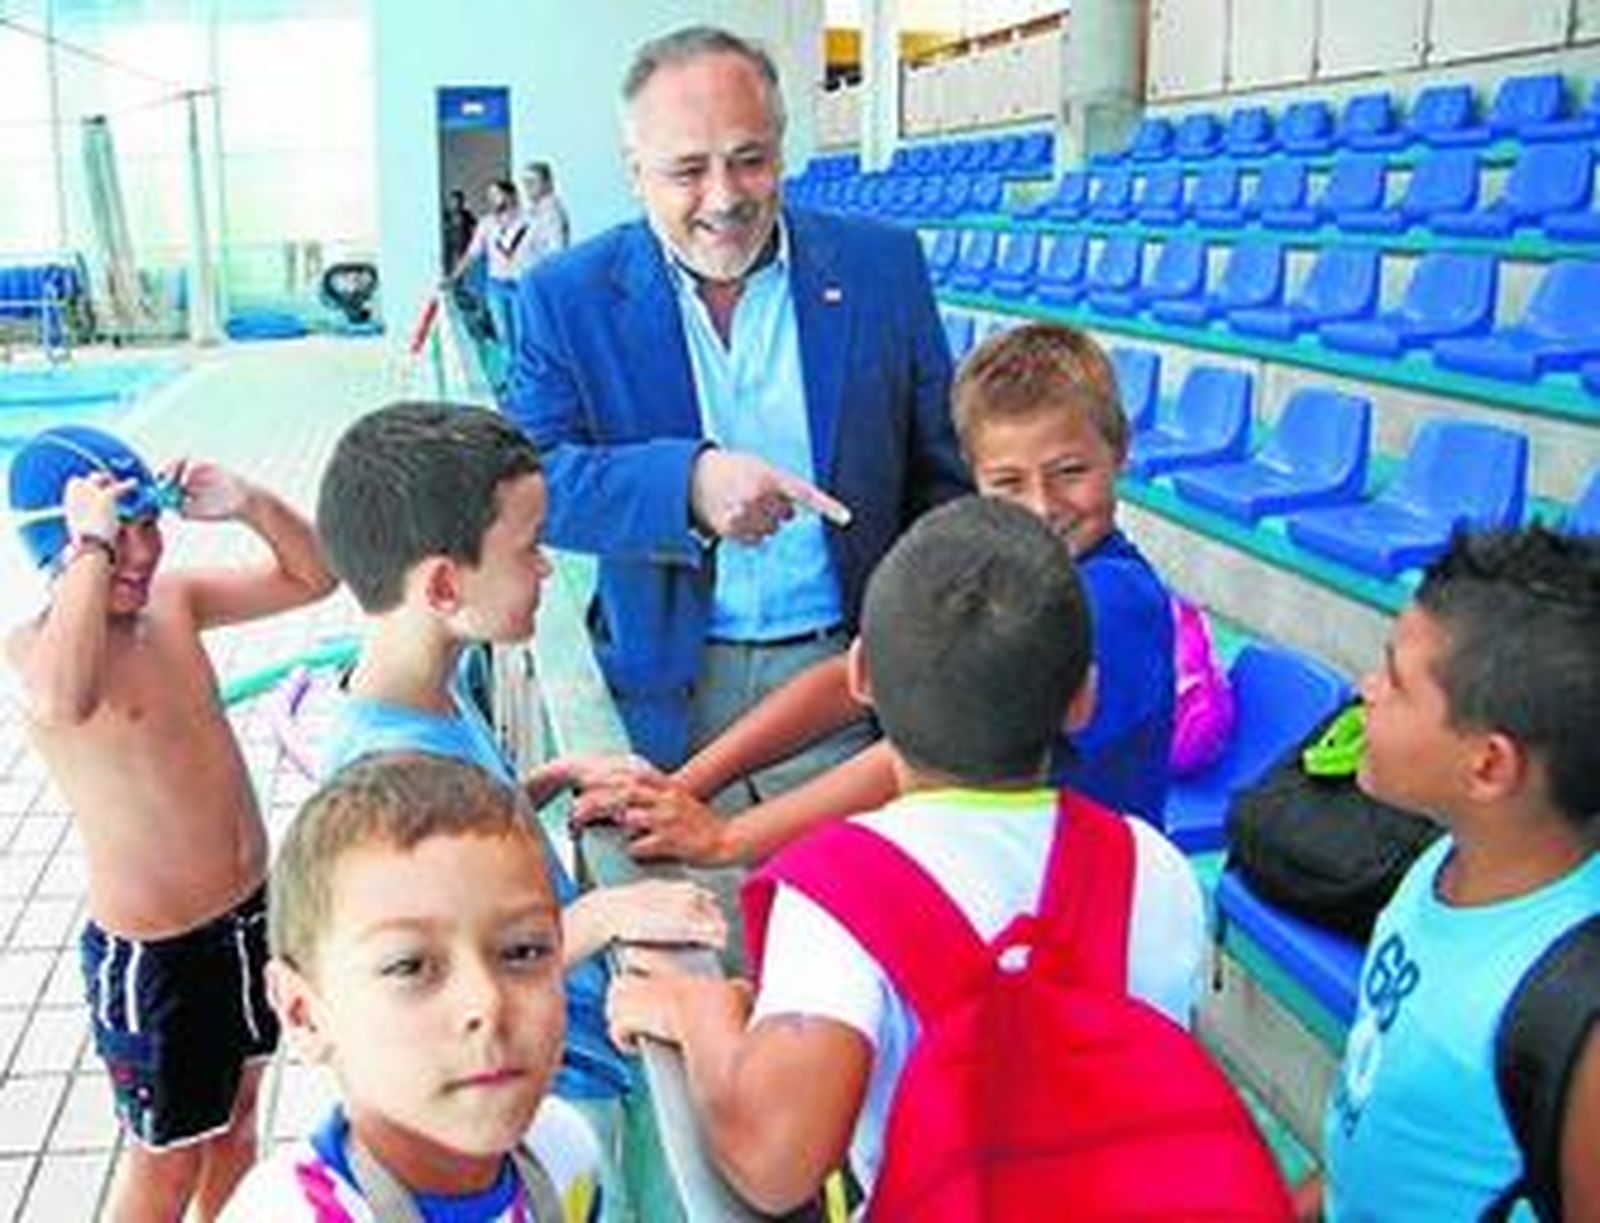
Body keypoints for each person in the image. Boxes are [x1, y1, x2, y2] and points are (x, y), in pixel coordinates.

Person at [606, 497, 1206, 1212]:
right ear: (1083, 697)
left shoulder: (838, 891)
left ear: (860, 675)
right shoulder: (1155, 867)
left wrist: (697, 1012)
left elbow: (775, 1164)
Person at [506, 25, 970, 777]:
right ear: (635, 171)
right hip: (663, 696)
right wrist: (686, 485)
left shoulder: (883, 266)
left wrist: (916, 642)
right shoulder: (565, 297)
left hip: (852, 680)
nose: (723, 197)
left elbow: (942, 476)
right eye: (688, 170)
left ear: (782, 151)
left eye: (749, 160)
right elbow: (529, 484)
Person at [312, 402, 728, 1204]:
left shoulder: (424, 692)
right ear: (444, 584)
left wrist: (551, 777)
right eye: (529, 548)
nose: (545, 569)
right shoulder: (387, 774)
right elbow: (440, 967)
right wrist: (605, 915)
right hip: (542, 1091)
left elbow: (459, 833)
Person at [570, 322, 1176, 865]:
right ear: (973, 474)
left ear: (1119, 452)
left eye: (1071, 472)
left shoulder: (1114, 601)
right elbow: (849, 680)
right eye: (1008, 482)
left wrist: (731, 837)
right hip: (993, 883)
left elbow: (931, 747)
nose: (1042, 505)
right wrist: (682, 784)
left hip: (1080, 906)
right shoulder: (979, 562)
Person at [3, 425, 336, 1220]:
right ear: (61, 547)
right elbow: (62, 700)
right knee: (167, 1164)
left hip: (249, 920)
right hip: (157, 958)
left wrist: (250, 503)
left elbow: (315, 577)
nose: (143, 552)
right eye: (119, 535)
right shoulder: (38, 652)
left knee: (239, 1121)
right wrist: (92, 546)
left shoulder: (173, 602)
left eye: (150, 524)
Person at [1300, 526, 1600, 1221]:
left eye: (1395, 680)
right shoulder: (1448, 858)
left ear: (1489, 766)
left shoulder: (1575, 1011)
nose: (1367, 689)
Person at [221, 753, 599, 1220]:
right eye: (409, 966)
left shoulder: (565, 1156)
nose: (486, 1003)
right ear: (304, 1014)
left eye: (524, 951)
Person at [446, 179, 534, 355]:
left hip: (521, 285)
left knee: (523, 335)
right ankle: (510, 371)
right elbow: (472, 254)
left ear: (511, 195)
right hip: (496, 285)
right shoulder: (486, 223)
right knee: (503, 335)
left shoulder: (529, 220)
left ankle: (523, 370)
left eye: (496, 194)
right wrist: (453, 277)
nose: (492, 199)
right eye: (489, 196)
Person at [522, 161, 570, 263]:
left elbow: (556, 250)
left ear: (547, 183)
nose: (527, 187)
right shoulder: (531, 212)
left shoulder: (552, 212)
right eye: (525, 182)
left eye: (532, 182)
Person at [441, 188, 477, 276]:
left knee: (464, 268)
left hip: (463, 245)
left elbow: (476, 226)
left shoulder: (466, 214)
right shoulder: (446, 216)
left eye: (458, 201)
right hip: (450, 246)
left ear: (462, 202)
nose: (456, 204)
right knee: (448, 267)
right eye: (453, 201)